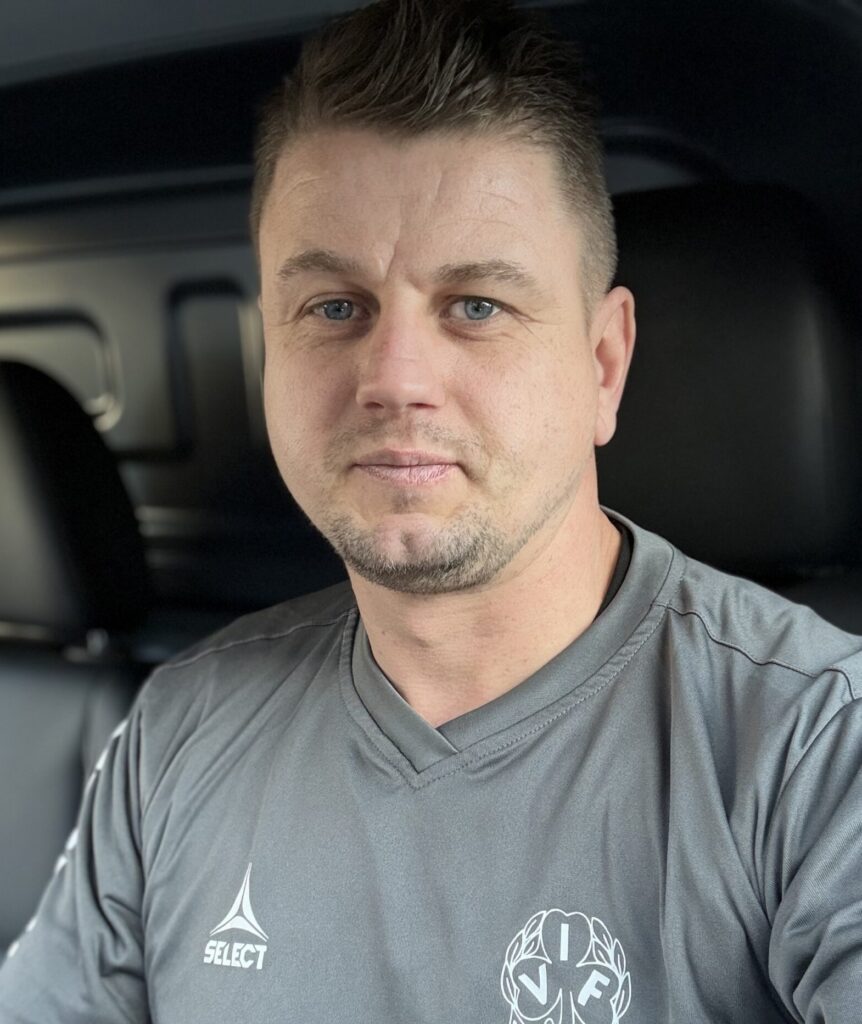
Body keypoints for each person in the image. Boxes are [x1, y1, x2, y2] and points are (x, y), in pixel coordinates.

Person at [1, 0, 861, 1020]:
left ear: (601, 363)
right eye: (334, 308)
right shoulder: (179, 731)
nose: (395, 378)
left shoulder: (818, 745)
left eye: (477, 305)